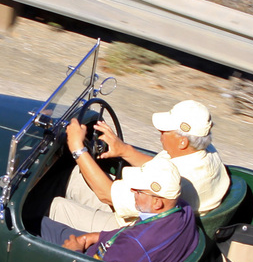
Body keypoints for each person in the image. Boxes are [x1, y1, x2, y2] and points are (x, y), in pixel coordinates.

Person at [49, 99, 230, 234]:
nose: (160, 132)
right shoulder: (205, 153)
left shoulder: (175, 187)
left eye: (166, 130)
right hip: (156, 219)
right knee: (74, 175)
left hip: (136, 229)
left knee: (56, 206)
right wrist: (124, 150)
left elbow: (107, 194)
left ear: (182, 141)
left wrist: (77, 148)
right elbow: (163, 168)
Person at [38, 155, 202, 262]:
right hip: (101, 248)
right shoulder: (183, 210)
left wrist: (74, 253)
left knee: (38, 226)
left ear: (157, 203)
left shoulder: (137, 245)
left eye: (138, 190)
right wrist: (91, 237)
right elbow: (126, 236)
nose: (132, 191)